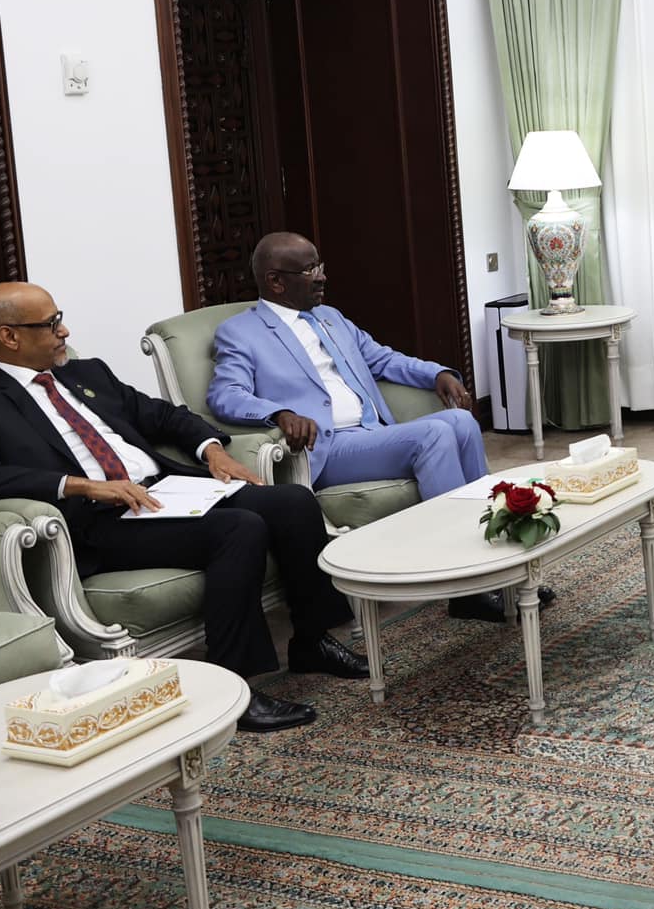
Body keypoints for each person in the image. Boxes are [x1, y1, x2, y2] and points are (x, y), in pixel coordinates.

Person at [0, 284, 366, 734]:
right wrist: (81, 486)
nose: (64, 332)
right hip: (101, 522)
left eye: (59, 318)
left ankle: (311, 641)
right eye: (50, 324)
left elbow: (163, 416)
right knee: (238, 528)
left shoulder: (86, 373)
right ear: (8, 336)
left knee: (291, 501)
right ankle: (232, 688)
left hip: (165, 491)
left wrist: (211, 450)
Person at [207, 233, 504, 622]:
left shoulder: (331, 317)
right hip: (327, 447)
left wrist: (437, 374)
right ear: (276, 281)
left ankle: (494, 556)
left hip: (373, 434)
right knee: (434, 434)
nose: (322, 277)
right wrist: (279, 412)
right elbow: (225, 394)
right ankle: (458, 577)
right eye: (310, 270)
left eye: (320, 265)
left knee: (462, 421)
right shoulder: (240, 332)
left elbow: (382, 359)